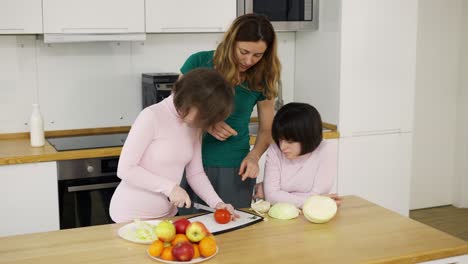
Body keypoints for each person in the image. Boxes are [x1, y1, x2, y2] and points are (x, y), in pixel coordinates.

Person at [178, 14, 281, 211]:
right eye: (244, 51)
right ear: (231, 42)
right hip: (189, 161)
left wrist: (254, 156)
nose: (249, 60)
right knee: (188, 232)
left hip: (235, 167)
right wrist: (207, 122)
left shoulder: (263, 76)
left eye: (258, 55)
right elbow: (176, 108)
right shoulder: (198, 61)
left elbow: (267, 129)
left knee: (235, 234)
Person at [109, 68, 237, 223]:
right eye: (204, 115)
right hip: (130, 217)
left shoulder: (195, 124)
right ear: (190, 99)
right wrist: (170, 188)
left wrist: (217, 203)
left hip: (167, 218)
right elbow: (125, 169)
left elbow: (195, 173)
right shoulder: (152, 116)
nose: (205, 121)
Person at [255, 102, 342, 208]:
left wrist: (278, 195)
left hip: (313, 215)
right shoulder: (274, 150)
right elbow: (272, 196)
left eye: (290, 141)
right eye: (280, 139)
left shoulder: (325, 149)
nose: (282, 147)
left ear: (308, 137)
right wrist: (315, 201)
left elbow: (318, 195)